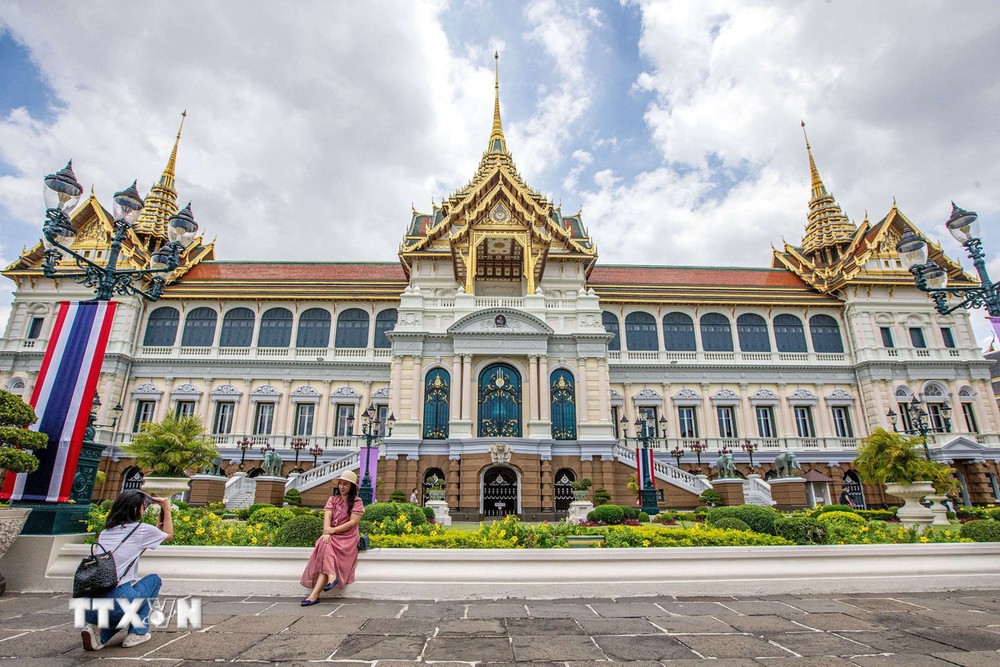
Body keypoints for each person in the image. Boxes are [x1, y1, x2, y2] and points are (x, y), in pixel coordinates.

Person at [81, 490, 173, 651]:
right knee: (153, 581)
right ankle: (137, 632)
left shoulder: (105, 532)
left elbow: (131, 553)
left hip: (90, 606)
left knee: (124, 605)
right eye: (143, 507)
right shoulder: (142, 530)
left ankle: (99, 635)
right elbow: (169, 535)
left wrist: (151, 535)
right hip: (118, 601)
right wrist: (166, 508)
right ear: (136, 509)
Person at [299, 470, 365, 606]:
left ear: (351, 487)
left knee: (324, 546)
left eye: (345, 484)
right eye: (340, 484)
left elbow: (352, 523)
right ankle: (329, 579)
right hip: (333, 534)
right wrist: (326, 532)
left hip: (348, 538)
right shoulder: (333, 500)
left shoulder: (357, 502)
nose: (342, 487)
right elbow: (327, 517)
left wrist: (332, 530)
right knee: (323, 543)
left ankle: (315, 594)